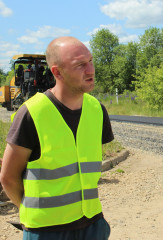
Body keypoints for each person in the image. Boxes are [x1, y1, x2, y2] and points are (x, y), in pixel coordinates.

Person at [0, 36, 113, 240]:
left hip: (92, 224)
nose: (90, 70)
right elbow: (8, 177)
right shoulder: (32, 113)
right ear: (57, 72)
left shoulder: (97, 110)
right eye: (80, 65)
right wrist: (30, 210)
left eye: (90, 61)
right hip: (46, 231)